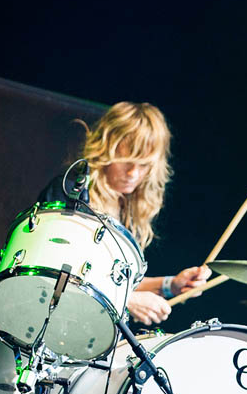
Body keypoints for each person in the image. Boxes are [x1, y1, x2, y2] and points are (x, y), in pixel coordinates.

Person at [38, 101, 210, 325]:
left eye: (144, 165)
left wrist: (171, 285)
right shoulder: (73, 190)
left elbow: (112, 282)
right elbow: (49, 273)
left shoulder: (126, 205)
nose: (133, 173)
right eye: (126, 161)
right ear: (106, 149)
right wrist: (126, 301)